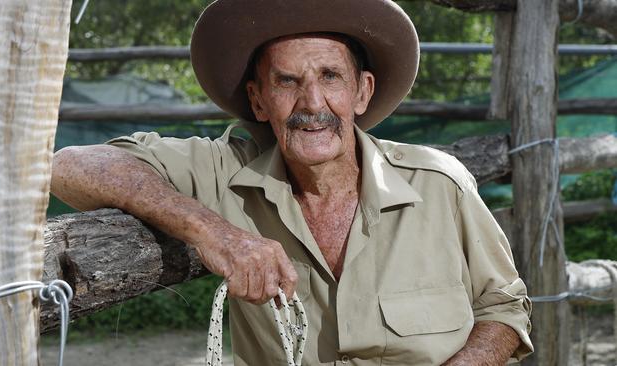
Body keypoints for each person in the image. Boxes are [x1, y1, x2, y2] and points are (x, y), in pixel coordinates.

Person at [51, 0, 533, 364]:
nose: (312, 103)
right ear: (259, 102)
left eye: (330, 76)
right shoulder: (226, 173)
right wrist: (214, 232)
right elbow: (69, 166)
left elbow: (505, 309)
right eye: (286, 81)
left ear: (361, 91)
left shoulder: (439, 184)